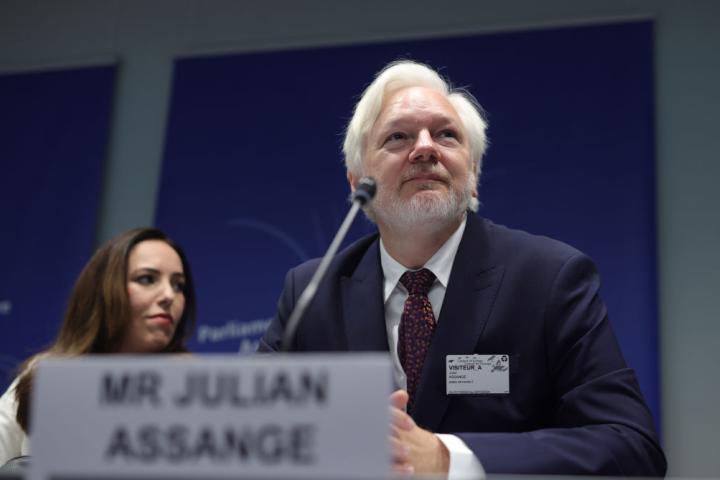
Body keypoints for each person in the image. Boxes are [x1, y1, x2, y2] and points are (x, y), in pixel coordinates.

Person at [259, 60, 667, 477]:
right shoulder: (311, 293)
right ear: (356, 181)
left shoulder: (548, 279)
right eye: (398, 137)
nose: (425, 148)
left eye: (446, 135)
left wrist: (447, 458)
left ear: (472, 174)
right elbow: (254, 439)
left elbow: (630, 445)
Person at [0, 227, 197, 465]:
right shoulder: (43, 375)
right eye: (147, 279)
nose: (169, 295)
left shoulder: (195, 388)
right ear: (104, 290)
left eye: (178, 286)